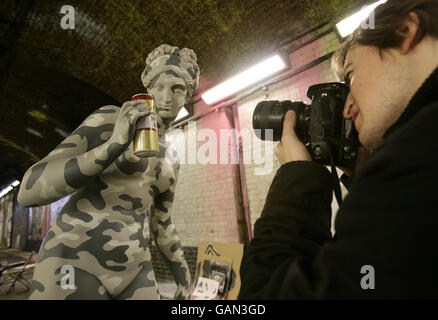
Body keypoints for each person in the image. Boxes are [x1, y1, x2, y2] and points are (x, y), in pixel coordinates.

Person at [238, 0, 438, 299]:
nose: (346, 109)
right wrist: (362, 172)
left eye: (350, 76)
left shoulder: (417, 152)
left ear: (406, 30)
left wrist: (297, 176)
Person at [18, 44, 200, 300]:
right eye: (158, 86)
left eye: (177, 88)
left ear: (188, 95)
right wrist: (113, 145)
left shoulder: (171, 159)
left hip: (135, 270)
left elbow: (163, 223)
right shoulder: (109, 119)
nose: (166, 97)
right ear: (147, 89)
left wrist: (183, 274)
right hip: (72, 260)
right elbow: (29, 191)